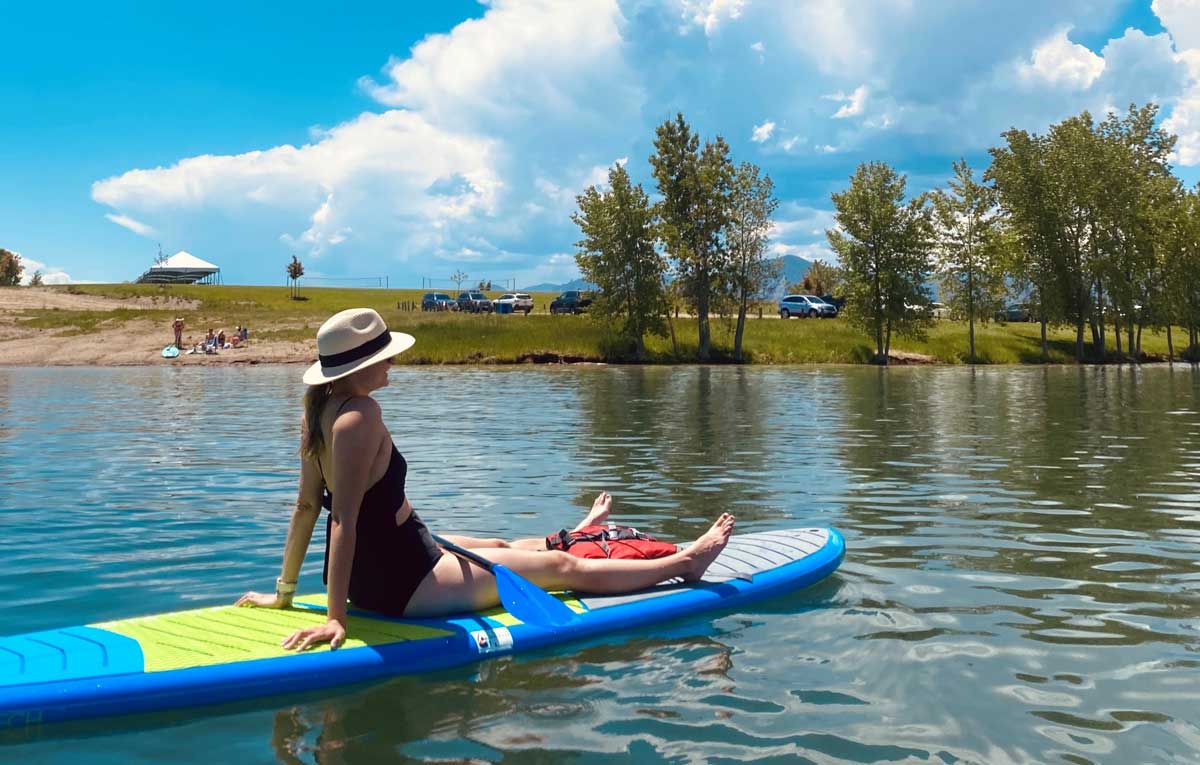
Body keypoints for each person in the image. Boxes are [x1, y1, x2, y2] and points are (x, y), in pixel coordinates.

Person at [236, 308, 734, 651]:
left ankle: (584, 528)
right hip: (403, 579)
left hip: (399, 555)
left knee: (499, 541)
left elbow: (306, 509)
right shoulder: (359, 416)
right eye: (384, 354)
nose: (392, 361)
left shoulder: (317, 412)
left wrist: (283, 592)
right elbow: (342, 519)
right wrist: (335, 619)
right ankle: (684, 564)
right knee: (561, 568)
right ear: (362, 364)